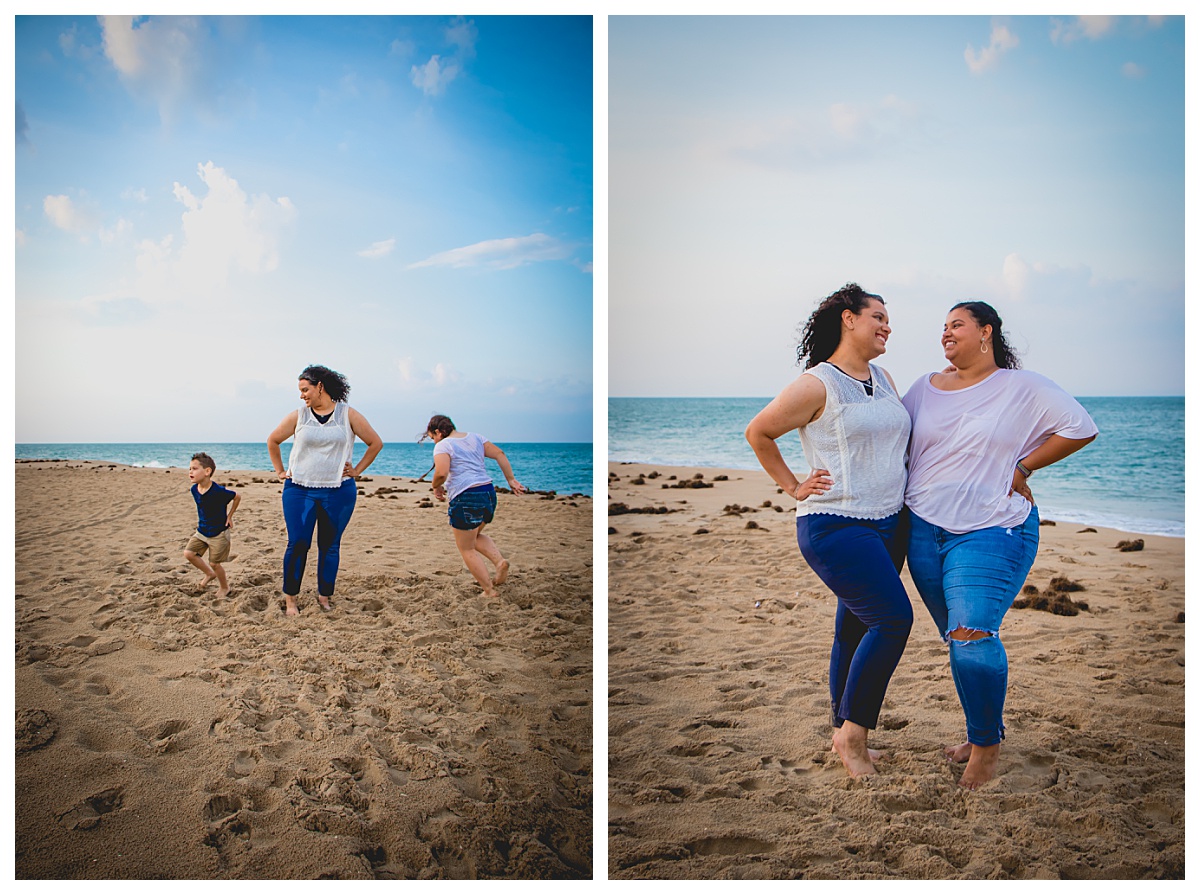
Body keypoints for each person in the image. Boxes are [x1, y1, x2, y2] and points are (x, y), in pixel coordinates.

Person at [903, 300, 1098, 790]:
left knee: (972, 634)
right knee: (957, 638)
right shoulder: (923, 388)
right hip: (924, 531)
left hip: (992, 527)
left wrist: (1024, 467)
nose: (945, 333)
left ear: (986, 332)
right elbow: (897, 444)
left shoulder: (1021, 386)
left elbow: (1080, 427)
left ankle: (986, 751)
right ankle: (979, 732)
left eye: (957, 325)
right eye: (943, 327)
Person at [745, 283, 913, 778]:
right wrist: (793, 485)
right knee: (893, 620)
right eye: (878, 316)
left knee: (854, 627)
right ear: (848, 318)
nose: (887, 326)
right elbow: (759, 432)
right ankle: (854, 737)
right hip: (835, 523)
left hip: (889, 523)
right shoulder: (817, 384)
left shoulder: (883, 378)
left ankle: (841, 725)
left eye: (888, 319)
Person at [267, 365, 384, 616]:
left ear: (320, 386)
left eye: (305, 389)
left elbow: (376, 443)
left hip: (338, 491)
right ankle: (290, 599)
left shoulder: (347, 415)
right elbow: (273, 440)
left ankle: (324, 596)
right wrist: (279, 471)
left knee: (330, 545)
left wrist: (358, 470)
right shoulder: (299, 416)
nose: (302, 395)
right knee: (298, 543)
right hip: (299, 490)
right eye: (300, 391)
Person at [423, 414, 527, 599]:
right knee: (474, 535)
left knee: (466, 547)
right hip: (488, 493)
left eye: (432, 438)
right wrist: (511, 479)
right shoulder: (476, 437)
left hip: (466, 496)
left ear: (438, 432)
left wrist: (436, 487)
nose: (434, 442)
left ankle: (488, 590)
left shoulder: (443, 445)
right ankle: (499, 561)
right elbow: (499, 454)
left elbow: (441, 472)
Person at [183, 451, 240, 599]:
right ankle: (209, 574)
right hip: (202, 531)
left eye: (194, 469)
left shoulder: (218, 491)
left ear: (207, 471)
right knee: (189, 553)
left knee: (215, 563)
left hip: (218, 533)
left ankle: (225, 587)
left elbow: (237, 497)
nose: (190, 472)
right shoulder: (194, 490)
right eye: (190, 468)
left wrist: (230, 516)